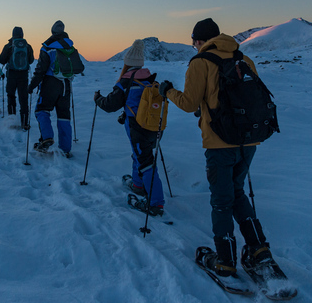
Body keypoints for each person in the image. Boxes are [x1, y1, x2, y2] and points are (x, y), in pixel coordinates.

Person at [158, 18, 277, 277]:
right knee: (237, 193)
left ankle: (225, 260)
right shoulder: (244, 59)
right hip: (249, 140)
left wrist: (167, 91)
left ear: (200, 41)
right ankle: (259, 249)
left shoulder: (200, 62)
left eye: (194, 42)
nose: (194, 46)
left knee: (222, 201)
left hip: (220, 143)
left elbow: (189, 103)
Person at [94, 39, 165, 214]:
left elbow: (110, 104)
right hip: (154, 128)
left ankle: (156, 204)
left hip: (137, 129)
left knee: (146, 162)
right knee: (141, 156)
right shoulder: (150, 80)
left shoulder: (126, 82)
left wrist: (97, 99)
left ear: (127, 63)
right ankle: (138, 184)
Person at [27, 20, 75, 156]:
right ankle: (66, 148)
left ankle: (47, 137)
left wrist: (31, 86)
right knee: (64, 115)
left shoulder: (47, 46)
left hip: (50, 83)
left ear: (52, 32)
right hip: (66, 84)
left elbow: (41, 69)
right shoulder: (70, 46)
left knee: (41, 110)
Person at [0, 26, 35, 129]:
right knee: (23, 98)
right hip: (23, 75)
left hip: (11, 75)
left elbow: (1, 60)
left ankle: (12, 120)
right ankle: (24, 122)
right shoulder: (27, 46)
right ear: (22, 34)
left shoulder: (9, 46)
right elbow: (31, 60)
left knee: (11, 96)